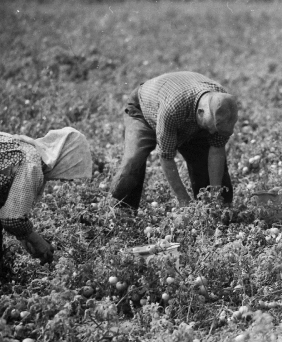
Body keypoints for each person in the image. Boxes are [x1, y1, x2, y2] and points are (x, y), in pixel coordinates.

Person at [110, 71, 238, 210]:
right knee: (134, 160)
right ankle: (119, 212)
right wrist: (183, 199)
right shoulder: (172, 109)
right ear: (200, 113)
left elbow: (216, 150)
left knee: (205, 163)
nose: (212, 133)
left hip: (186, 114)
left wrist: (215, 195)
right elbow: (166, 157)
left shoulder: (222, 106)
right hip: (144, 110)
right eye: (211, 128)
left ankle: (212, 212)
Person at [0, 127, 92, 265]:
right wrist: (39, 242)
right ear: (65, 161)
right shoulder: (32, 166)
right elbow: (12, 220)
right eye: (70, 171)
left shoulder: (25, 147)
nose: (63, 180)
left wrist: (25, 237)